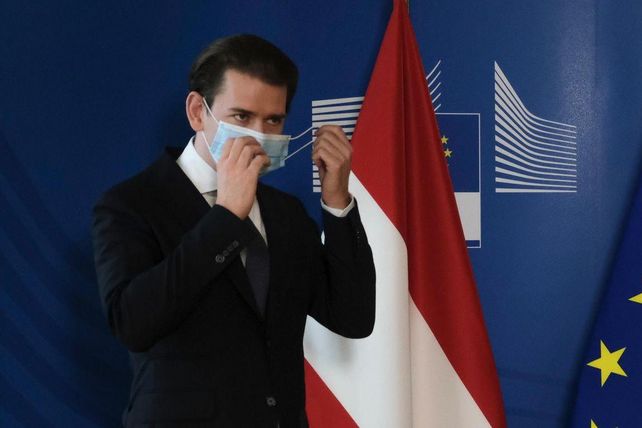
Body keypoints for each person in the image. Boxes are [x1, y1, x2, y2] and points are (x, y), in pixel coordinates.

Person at [92, 34, 376, 427]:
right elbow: (133, 324)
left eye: (273, 120)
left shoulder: (286, 213)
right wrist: (226, 217)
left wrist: (337, 201)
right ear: (197, 112)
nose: (259, 134)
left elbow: (353, 317)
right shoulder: (132, 204)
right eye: (241, 117)